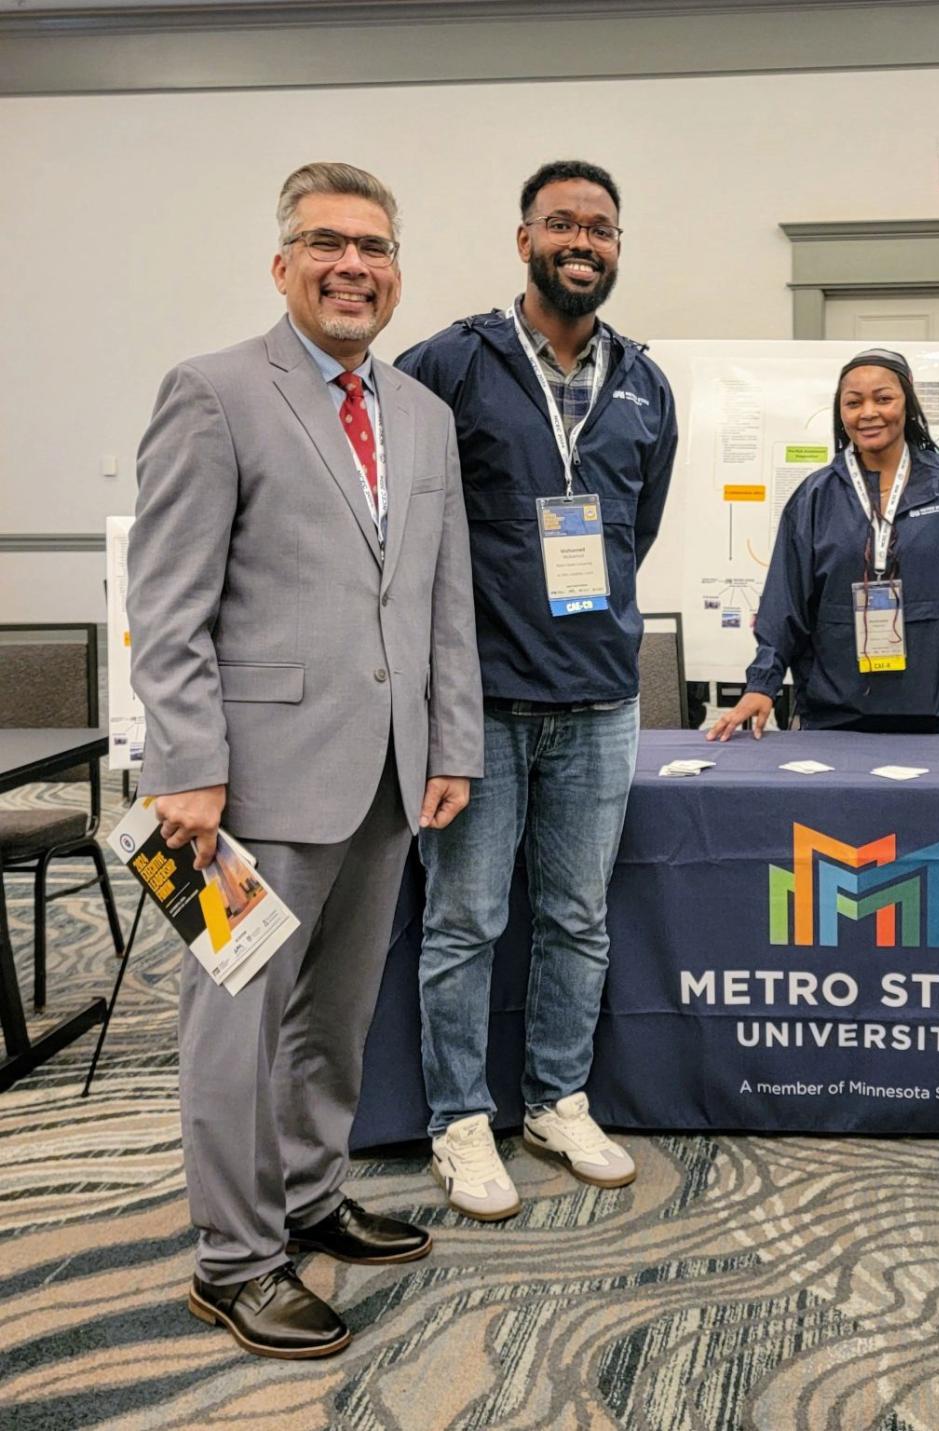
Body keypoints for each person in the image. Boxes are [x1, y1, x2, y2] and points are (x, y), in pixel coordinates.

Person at [127, 162, 482, 1357]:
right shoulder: (216, 393)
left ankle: (308, 1196)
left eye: (375, 247)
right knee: (235, 1029)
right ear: (282, 264)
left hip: (385, 778)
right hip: (243, 790)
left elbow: (442, 601)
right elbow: (166, 605)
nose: (353, 265)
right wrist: (185, 763)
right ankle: (234, 1260)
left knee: (336, 1013)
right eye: (328, 243)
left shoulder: (421, 414)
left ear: (396, 270)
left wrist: (451, 743)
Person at [397, 160, 676, 1221]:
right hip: (477, 706)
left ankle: (556, 1099)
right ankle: (458, 1121)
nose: (582, 241)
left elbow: (628, 532)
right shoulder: (448, 364)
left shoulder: (644, 382)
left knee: (576, 918)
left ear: (616, 245)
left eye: (601, 227)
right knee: (465, 921)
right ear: (524, 239)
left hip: (600, 698)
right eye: (561, 222)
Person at [709, 348, 939, 740]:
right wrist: (761, 685)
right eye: (853, 403)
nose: (868, 412)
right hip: (831, 717)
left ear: (908, 404)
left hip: (933, 714)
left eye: (883, 398)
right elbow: (785, 603)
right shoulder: (816, 496)